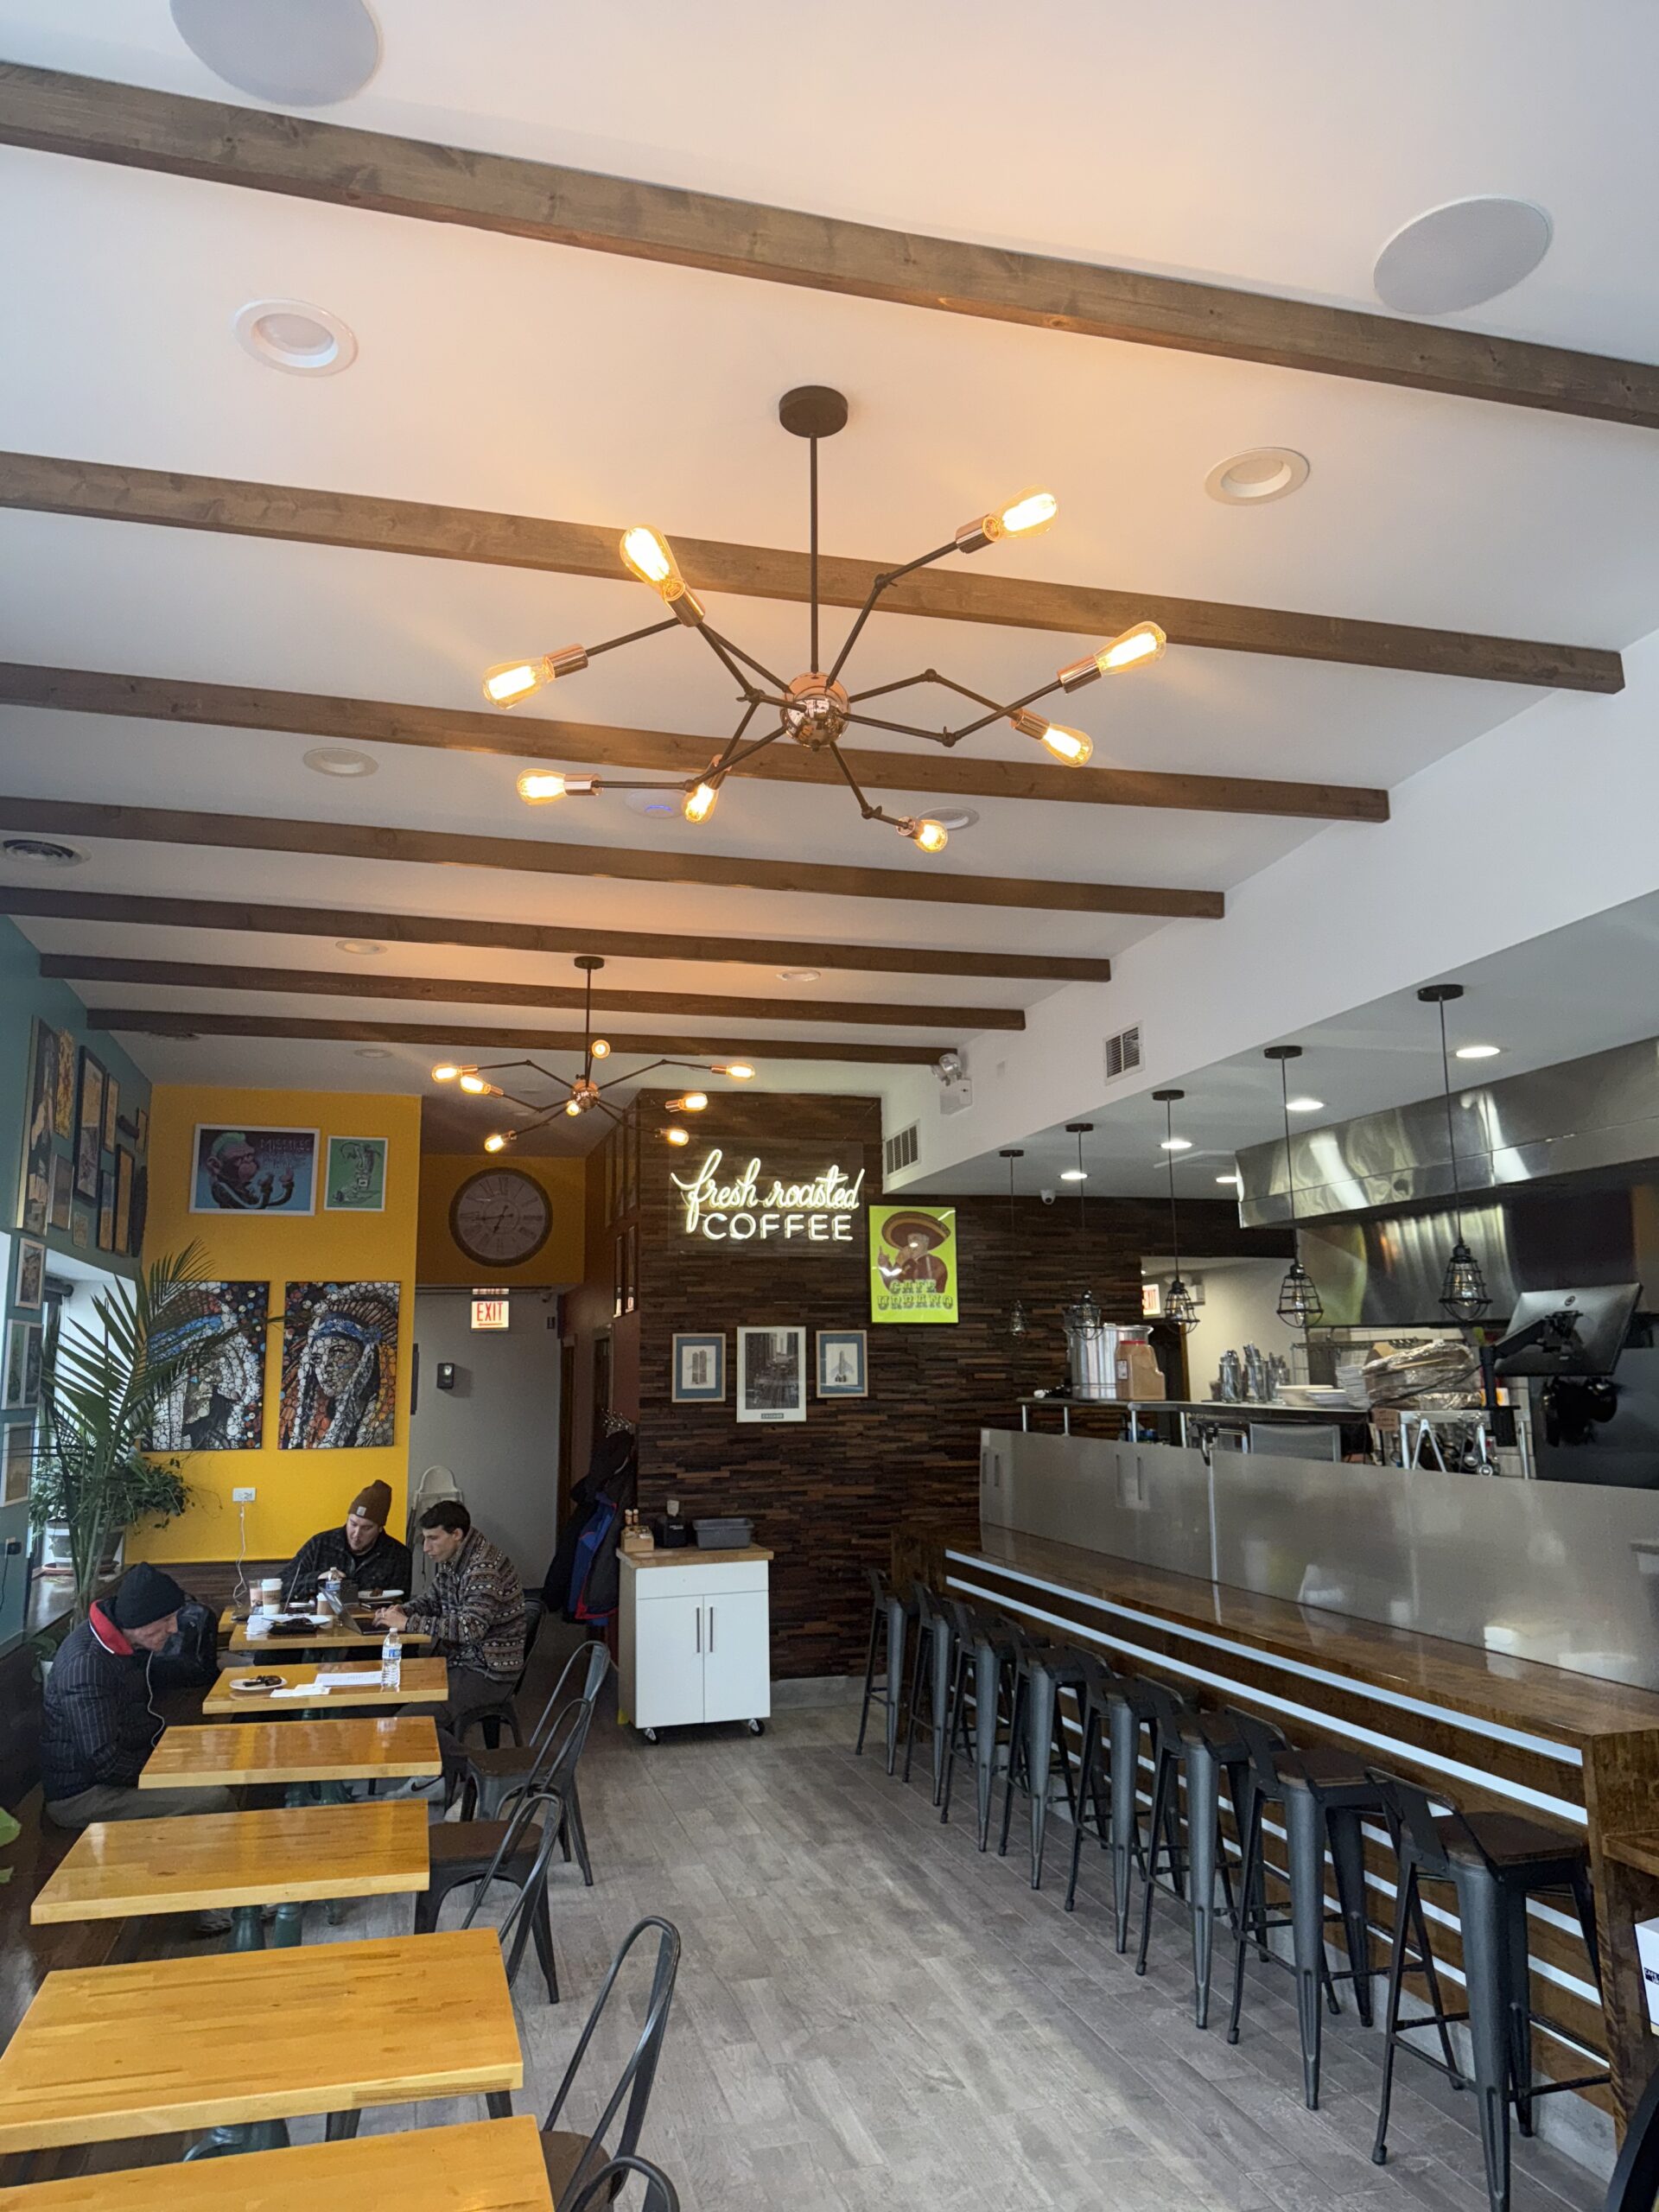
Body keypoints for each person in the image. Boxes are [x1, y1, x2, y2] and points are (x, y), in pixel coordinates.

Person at [41, 1563, 235, 1827]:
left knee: (218, 1763)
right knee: (214, 1798)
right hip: (82, 1795)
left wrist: (180, 1757)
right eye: (166, 1620)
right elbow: (104, 1763)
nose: (174, 1629)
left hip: (121, 1770)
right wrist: (169, 1771)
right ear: (138, 1619)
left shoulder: (121, 1642)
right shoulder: (87, 1665)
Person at [376, 1502, 524, 1757]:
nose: (426, 1548)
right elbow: (432, 1600)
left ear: (456, 1534)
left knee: (406, 1723)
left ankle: (468, 1769)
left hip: (488, 1672)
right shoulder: (455, 1557)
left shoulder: (483, 1567)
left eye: (433, 1538)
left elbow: (470, 1629)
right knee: (388, 1699)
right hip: (461, 1661)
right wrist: (402, 1612)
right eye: (424, 1539)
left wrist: (407, 1624)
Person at [280, 1479, 411, 1607]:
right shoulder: (320, 1544)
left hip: (373, 1619)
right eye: (353, 1524)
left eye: (366, 1528)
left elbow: (400, 1604)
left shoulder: (398, 1555)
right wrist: (318, 1578)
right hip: (319, 1617)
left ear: (380, 1528)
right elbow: (280, 1586)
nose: (356, 1534)